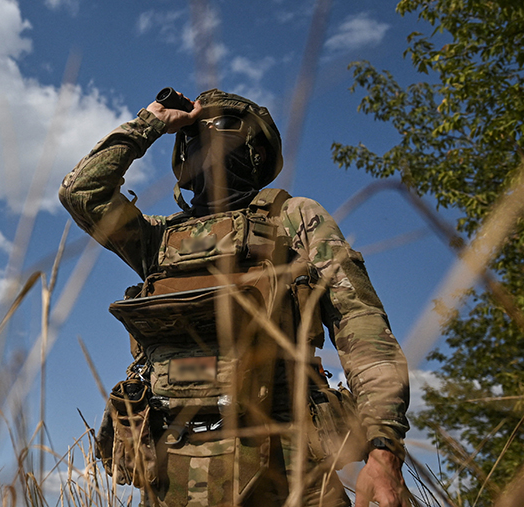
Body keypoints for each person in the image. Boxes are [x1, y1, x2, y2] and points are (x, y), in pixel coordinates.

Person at [59, 88, 410, 507]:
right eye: (196, 132)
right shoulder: (158, 239)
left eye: (225, 125)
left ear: (257, 151)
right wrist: (149, 123)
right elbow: (81, 191)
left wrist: (383, 446)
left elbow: (362, 326)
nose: (209, 137)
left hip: (289, 463)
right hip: (172, 468)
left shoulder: (293, 217)